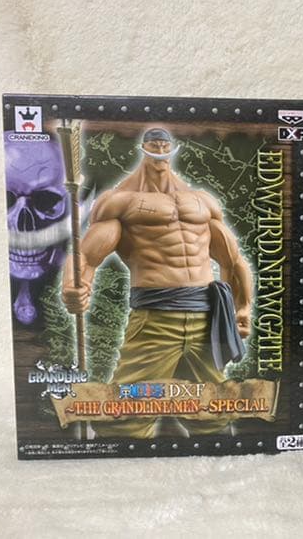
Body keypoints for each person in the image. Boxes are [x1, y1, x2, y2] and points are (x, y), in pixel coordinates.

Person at [62, 128, 253, 438]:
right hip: (155, 320)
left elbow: (232, 260)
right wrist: (74, 285)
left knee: (214, 411)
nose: (160, 148)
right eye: (154, 143)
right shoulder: (120, 202)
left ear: (172, 148)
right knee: (126, 416)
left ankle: (217, 460)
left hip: (206, 318)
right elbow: (86, 255)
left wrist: (242, 307)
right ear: (144, 148)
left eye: (165, 144)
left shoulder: (202, 201)